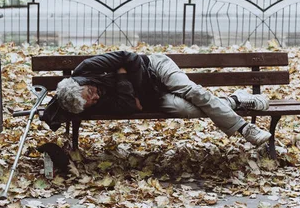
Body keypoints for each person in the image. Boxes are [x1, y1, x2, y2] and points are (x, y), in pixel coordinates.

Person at [42, 51, 273, 146]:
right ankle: (234, 100)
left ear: (81, 83)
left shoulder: (88, 68)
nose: (95, 97)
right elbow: (128, 106)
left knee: (194, 93)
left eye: (90, 92)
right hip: (154, 97)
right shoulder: (87, 104)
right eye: (90, 101)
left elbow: (130, 58)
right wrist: (123, 79)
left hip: (156, 67)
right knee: (189, 110)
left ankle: (244, 129)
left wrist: (133, 91)